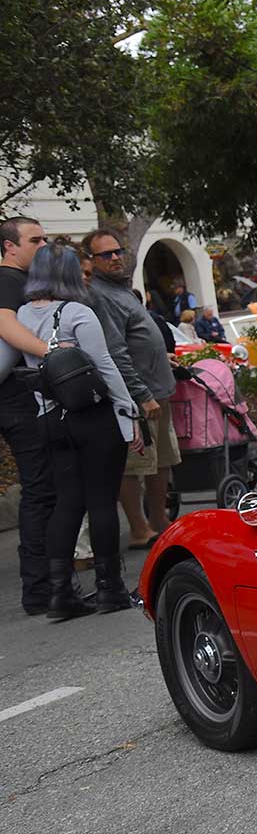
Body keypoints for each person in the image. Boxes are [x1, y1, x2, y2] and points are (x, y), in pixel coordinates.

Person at [15, 244, 141, 618]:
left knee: (67, 502)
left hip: (50, 418)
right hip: (93, 416)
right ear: (72, 275)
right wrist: (127, 412)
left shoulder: (22, 314)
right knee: (102, 500)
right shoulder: (77, 312)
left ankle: (60, 594)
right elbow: (105, 365)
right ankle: (110, 589)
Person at [81, 228, 182, 549]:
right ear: (91, 260)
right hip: (138, 396)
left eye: (117, 251)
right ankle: (140, 528)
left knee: (162, 460)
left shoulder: (121, 289)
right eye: (105, 254)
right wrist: (141, 394)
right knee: (136, 464)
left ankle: (158, 520)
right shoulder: (99, 295)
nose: (115, 258)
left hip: (158, 389)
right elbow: (114, 351)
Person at [0, 216, 57, 614]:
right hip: (14, 401)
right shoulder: (8, 280)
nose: (43, 245)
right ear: (9, 247)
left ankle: (43, 587)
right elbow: (5, 325)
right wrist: (53, 353)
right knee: (41, 490)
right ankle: (40, 590)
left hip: (15, 399)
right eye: (35, 239)